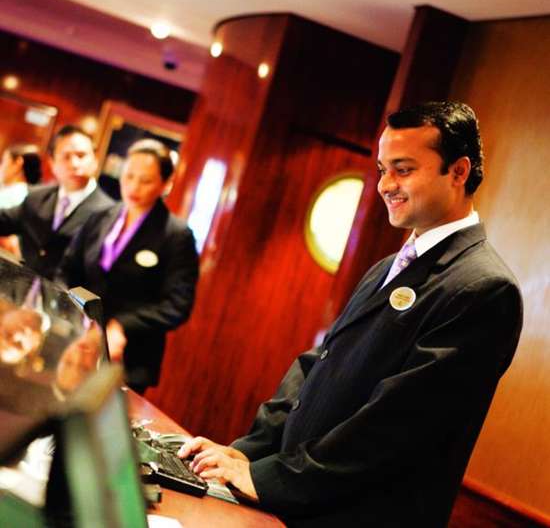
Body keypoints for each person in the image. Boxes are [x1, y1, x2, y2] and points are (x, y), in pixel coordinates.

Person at [177, 101, 523, 527]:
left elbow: (396, 424)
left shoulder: (484, 287)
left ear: (458, 171)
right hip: (300, 505)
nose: (385, 185)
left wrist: (270, 479)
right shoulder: (387, 267)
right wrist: (247, 454)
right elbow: (319, 364)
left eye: (403, 169)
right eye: (382, 170)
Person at [58, 139, 199, 393]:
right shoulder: (100, 217)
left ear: (165, 184)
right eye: (129, 176)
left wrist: (121, 324)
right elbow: (67, 270)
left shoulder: (176, 234)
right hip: (78, 340)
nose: (134, 186)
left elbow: (177, 305)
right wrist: (73, 314)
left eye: (145, 181)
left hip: (129, 357)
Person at [0, 125, 114, 280]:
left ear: (95, 159)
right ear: (52, 163)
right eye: (66, 157)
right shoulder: (37, 197)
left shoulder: (107, 213)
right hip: (21, 287)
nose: (74, 164)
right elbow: (5, 220)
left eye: (81, 155)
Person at [0, 143, 42, 208]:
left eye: (3, 161)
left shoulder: (11, 196)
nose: (1, 167)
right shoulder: (35, 194)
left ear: (17, 163)